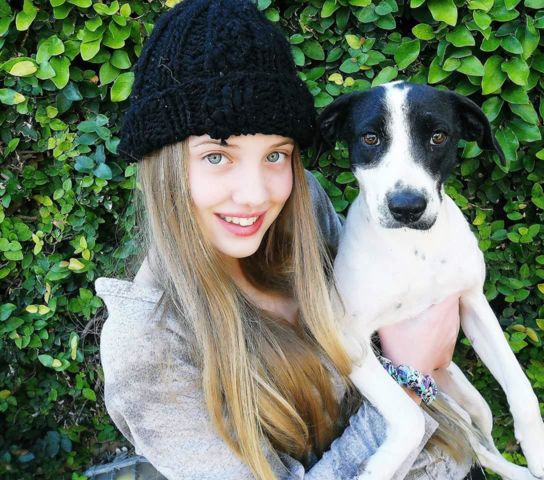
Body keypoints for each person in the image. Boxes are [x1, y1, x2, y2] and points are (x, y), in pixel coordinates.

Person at [94, 0, 474, 478]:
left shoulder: (301, 209)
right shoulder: (149, 346)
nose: (256, 195)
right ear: (162, 166)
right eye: (217, 157)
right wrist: (408, 379)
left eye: (275, 155)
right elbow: (409, 360)